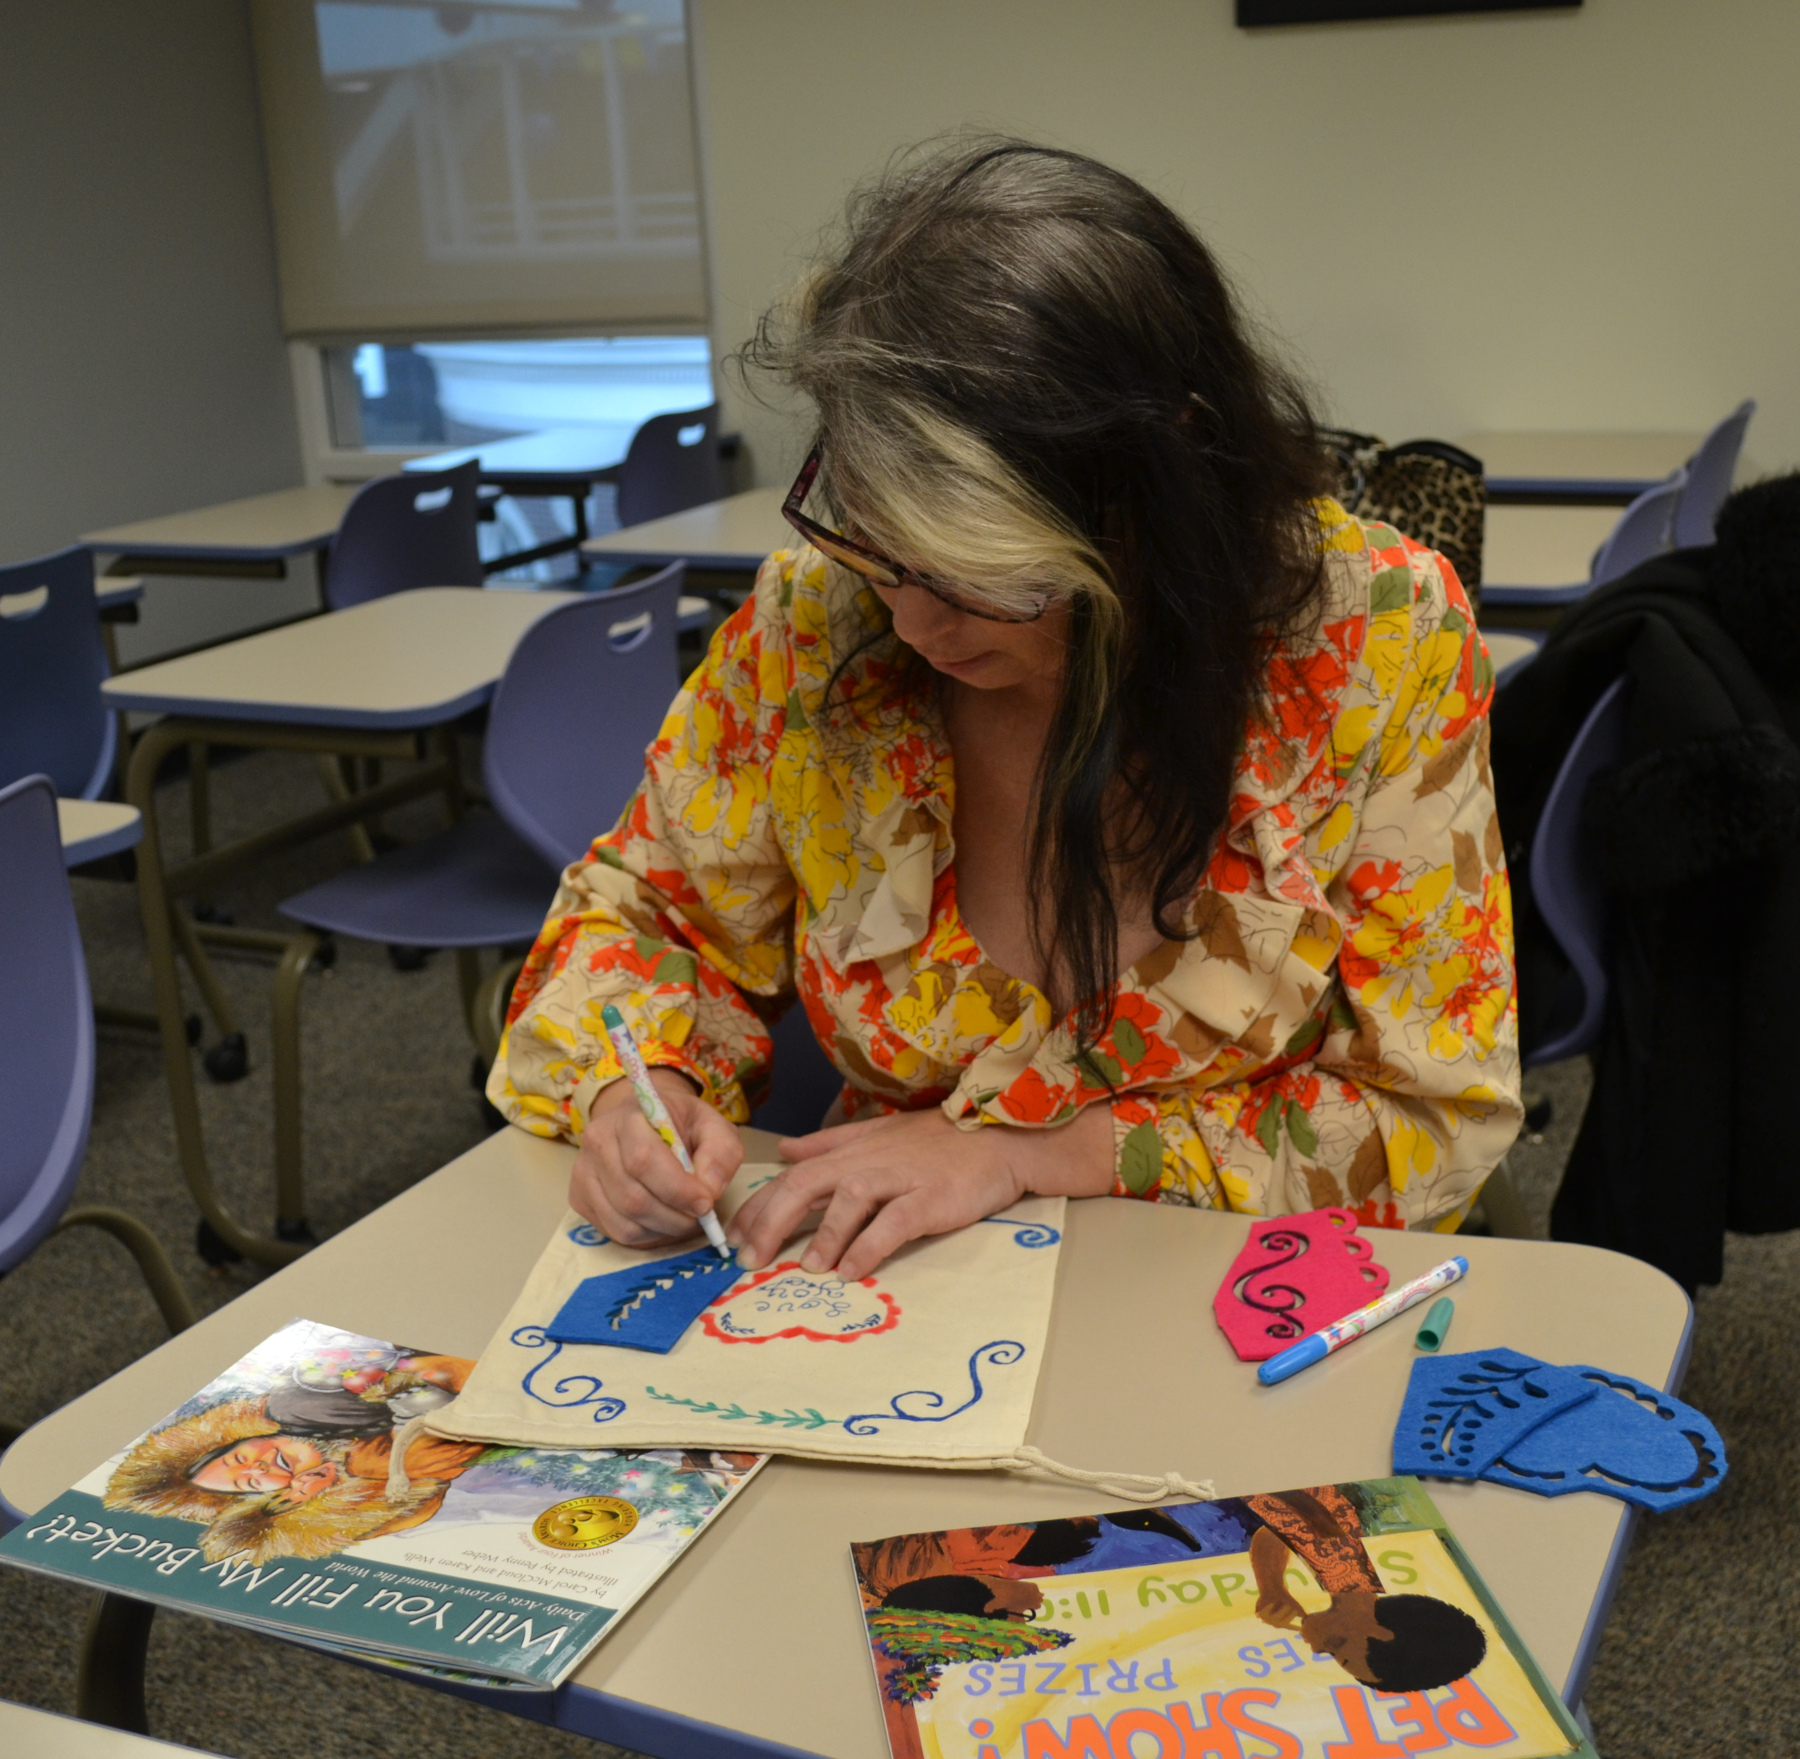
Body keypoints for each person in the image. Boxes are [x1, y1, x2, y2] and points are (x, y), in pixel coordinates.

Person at [489, 138, 1521, 1279]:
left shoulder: (1375, 642)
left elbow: (1432, 1126)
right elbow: (640, 921)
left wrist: (1039, 1153)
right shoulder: (822, 618)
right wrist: (638, 1097)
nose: (918, 626)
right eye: (881, 548)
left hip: (1227, 1301)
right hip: (887, 1299)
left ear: (1162, 487)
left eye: (981, 573)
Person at [1242, 1486, 1486, 1692]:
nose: (1318, 1648)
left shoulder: (1348, 1574)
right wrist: (1272, 1588)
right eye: (1339, 1651)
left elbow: (1280, 1532)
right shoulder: (1343, 1563)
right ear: (1379, 1632)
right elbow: (1283, 1520)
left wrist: (1272, 1588)